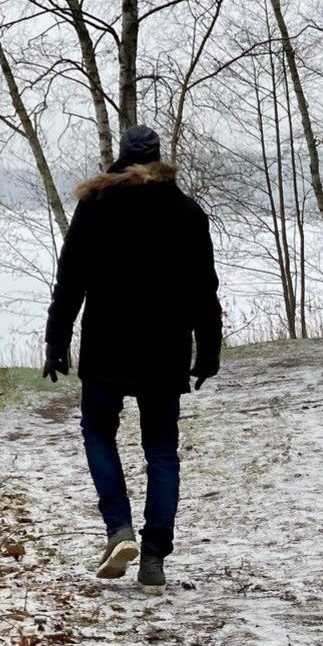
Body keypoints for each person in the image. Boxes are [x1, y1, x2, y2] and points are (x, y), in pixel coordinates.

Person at [43, 125, 222, 592]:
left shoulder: (95, 207)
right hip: (164, 350)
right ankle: (155, 556)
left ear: (121, 159)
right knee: (161, 450)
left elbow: (71, 281)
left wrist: (56, 340)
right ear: (160, 159)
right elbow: (204, 289)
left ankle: (119, 529)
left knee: (98, 432)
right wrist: (209, 350)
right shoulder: (185, 212)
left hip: (107, 345)